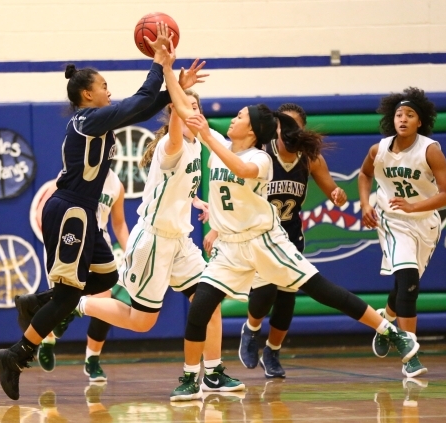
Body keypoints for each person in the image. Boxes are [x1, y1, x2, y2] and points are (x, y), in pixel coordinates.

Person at [0, 23, 204, 401]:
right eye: (103, 85)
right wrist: (159, 64)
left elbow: (144, 106)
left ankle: (34, 303)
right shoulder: (88, 121)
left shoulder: (96, 118)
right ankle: (15, 355)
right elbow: (140, 102)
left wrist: (177, 87)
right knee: (67, 298)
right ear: (87, 94)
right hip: (71, 210)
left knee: (105, 279)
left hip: (85, 214)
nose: (109, 90)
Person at [170, 103, 423, 401]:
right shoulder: (221, 143)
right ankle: (193, 376)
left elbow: (240, 168)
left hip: (265, 241)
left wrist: (207, 139)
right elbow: (186, 111)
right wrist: (167, 69)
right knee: (201, 307)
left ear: (251, 130)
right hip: (230, 246)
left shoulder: (260, 158)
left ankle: (389, 331)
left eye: (239, 116)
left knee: (321, 290)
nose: (233, 118)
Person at [77, 42, 245, 399]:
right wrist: (170, 75)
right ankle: (76, 304)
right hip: (153, 239)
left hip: (181, 240)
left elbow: (221, 165)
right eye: (187, 107)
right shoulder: (173, 146)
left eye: (197, 107)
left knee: (208, 301)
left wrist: (198, 201)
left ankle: (211, 373)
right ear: (176, 113)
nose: (193, 111)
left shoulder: (205, 141)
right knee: (142, 322)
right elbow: (177, 115)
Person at [202, 103, 347, 379]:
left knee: (287, 299)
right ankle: (252, 329)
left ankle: (273, 350)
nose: (287, 132)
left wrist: (338, 194)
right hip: (258, 233)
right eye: (283, 126)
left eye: (294, 127)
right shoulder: (260, 155)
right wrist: (216, 230)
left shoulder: (309, 157)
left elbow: (331, 188)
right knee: (265, 291)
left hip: (289, 233)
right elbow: (237, 200)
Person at [358, 87, 446, 378]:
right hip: (393, 221)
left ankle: (386, 323)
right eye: (399, 114)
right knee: (408, 280)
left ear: (420, 121)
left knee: (404, 287)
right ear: (392, 119)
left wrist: (415, 207)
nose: (403, 118)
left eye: (410, 115)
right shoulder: (379, 149)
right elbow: (364, 174)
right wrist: (366, 204)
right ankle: (410, 354)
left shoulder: (430, 150)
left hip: (425, 222)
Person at [33, 169, 129, 382]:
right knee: (59, 300)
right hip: (70, 241)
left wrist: (131, 252)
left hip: (97, 243)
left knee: (105, 304)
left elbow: (119, 223)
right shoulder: (74, 171)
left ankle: (92, 360)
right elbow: (44, 209)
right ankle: (47, 340)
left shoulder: (115, 185)